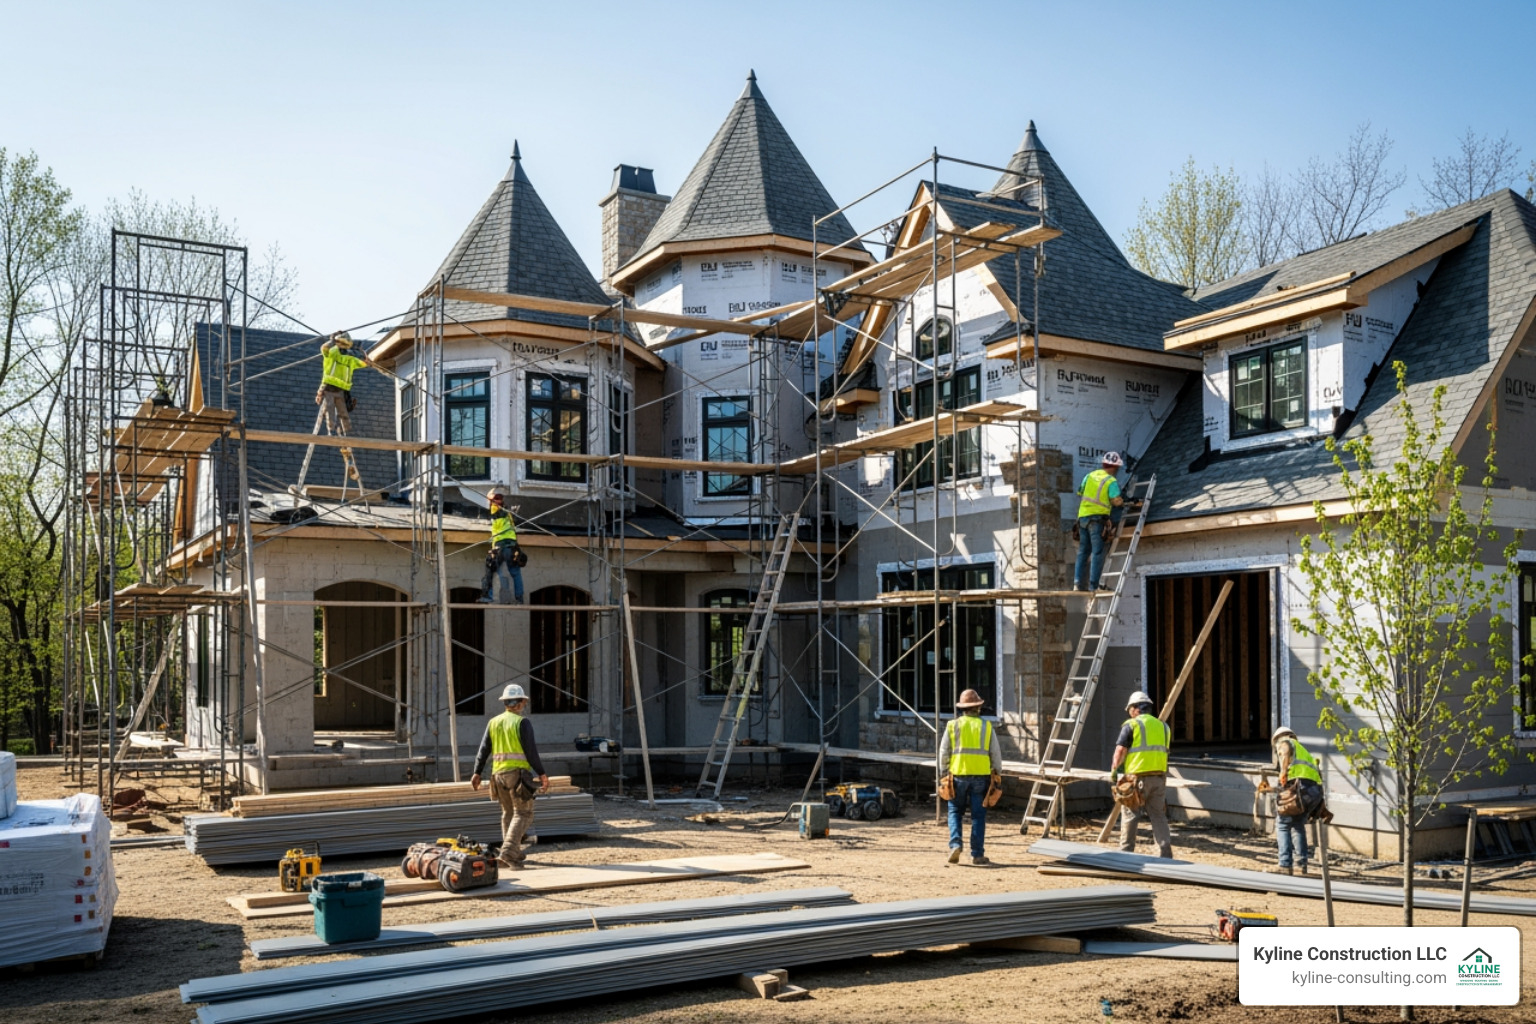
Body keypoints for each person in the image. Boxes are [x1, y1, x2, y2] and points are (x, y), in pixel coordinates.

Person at [470, 683, 549, 870]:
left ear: (505, 702)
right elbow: (531, 751)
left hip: (497, 775)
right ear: (521, 703)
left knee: (508, 813)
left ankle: (511, 852)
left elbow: (483, 750)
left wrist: (477, 772)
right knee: (524, 813)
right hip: (517, 776)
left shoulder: (493, 722)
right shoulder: (522, 723)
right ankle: (508, 853)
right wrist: (542, 774)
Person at [937, 688, 1001, 865]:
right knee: (978, 816)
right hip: (981, 777)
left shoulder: (953, 725)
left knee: (955, 811)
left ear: (962, 708)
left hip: (957, 775)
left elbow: (943, 752)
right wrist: (997, 773)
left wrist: (943, 772)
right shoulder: (986, 727)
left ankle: (955, 844)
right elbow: (995, 753)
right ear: (978, 707)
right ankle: (977, 854)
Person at [1110, 690, 1173, 858]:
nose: (1130, 713)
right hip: (1159, 778)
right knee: (1158, 816)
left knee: (1130, 815)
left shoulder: (1132, 725)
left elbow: (1120, 751)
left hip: (1136, 779)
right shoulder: (1164, 727)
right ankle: (1165, 853)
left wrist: (1115, 772)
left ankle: (1125, 855)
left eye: (1130, 709)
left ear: (1136, 708)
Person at [1271, 725, 1326, 875]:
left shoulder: (1285, 742)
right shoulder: (1303, 751)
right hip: (1313, 792)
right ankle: (1301, 865)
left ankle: (1284, 864)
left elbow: (1285, 749)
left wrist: (1282, 772)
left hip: (1298, 788)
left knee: (1282, 824)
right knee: (1297, 825)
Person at [1074, 451, 1125, 592]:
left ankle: (1077, 583)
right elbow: (1115, 501)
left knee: (1083, 551)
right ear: (1115, 467)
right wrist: (1123, 502)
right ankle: (1094, 586)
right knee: (1097, 552)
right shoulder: (1111, 481)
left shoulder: (1089, 476)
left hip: (1083, 518)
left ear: (1103, 464)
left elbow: (1080, 493)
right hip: (1097, 520)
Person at [315, 332, 373, 437]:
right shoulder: (331, 354)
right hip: (329, 388)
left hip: (341, 390)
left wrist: (364, 354)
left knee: (343, 412)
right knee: (330, 409)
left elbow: (365, 363)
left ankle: (347, 432)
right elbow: (324, 348)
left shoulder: (350, 359)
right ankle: (332, 430)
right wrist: (332, 341)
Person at [477, 493, 525, 605]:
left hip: (500, 546)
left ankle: (487, 596)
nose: (496, 502)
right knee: (515, 572)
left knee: (490, 567)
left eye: (497, 499)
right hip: (511, 545)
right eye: (495, 499)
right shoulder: (508, 513)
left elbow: (494, 509)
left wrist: (490, 499)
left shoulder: (495, 510)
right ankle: (519, 598)